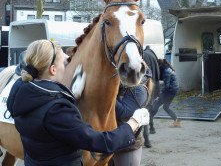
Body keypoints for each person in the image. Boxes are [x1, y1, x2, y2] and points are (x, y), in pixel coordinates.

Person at [7, 39, 149, 166]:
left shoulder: (23, 91)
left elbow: (48, 125)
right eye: (65, 62)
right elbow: (100, 142)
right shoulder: (56, 110)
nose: (68, 65)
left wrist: (71, 95)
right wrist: (134, 123)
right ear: (53, 69)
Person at [111, 67, 151, 166]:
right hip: (114, 141)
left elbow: (124, 112)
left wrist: (107, 94)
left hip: (128, 147)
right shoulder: (123, 85)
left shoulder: (140, 89)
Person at [150, 59, 181, 131]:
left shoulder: (166, 71)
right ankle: (177, 121)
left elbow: (166, 86)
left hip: (170, 91)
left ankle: (150, 122)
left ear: (159, 65)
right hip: (173, 90)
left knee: (156, 105)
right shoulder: (167, 69)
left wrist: (159, 95)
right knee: (165, 107)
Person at [142, 46, 161, 147]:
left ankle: (146, 139)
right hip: (153, 86)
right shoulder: (153, 57)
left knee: (144, 111)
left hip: (144, 86)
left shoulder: (143, 54)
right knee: (148, 110)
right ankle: (152, 127)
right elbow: (158, 74)